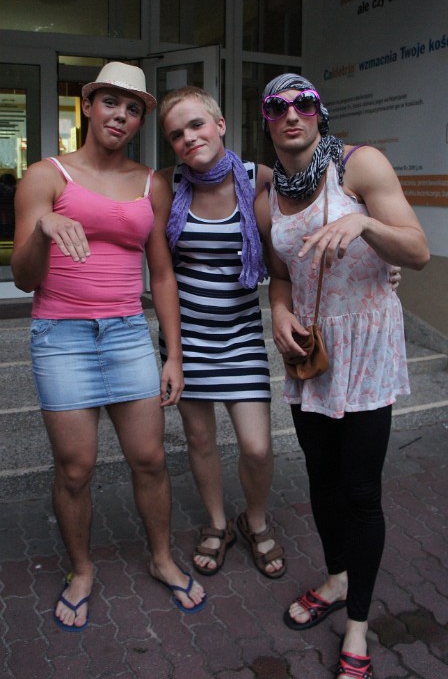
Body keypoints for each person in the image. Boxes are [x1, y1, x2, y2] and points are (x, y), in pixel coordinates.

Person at [11, 62, 206, 631]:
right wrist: (44, 228)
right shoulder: (45, 176)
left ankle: (161, 557)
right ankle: (81, 569)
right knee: (75, 470)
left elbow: (161, 274)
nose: (121, 115)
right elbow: (23, 278)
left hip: (126, 334)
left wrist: (173, 353)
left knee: (150, 459)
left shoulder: (152, 183)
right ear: (89, 106)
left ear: (140, 120)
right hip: (61, 337)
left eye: (133, 108)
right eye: (111, 103)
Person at [255, 73, 429, 679]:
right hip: (312, 350)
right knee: (322, 480)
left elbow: (416, 250)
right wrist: (279, 311)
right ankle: (335, 579)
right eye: (277, 106)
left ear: (319, 113)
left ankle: (357, 624)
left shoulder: (359, 166)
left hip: (367, 346)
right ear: (267, 120)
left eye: (303, 103)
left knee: (360, 490)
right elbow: (281, 275)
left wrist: (365, 225)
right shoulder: (268, 197)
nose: (291, 114)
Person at [158, 86, 286, 579]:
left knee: (256, 446)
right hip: (186, 338)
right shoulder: (167, 184)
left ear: (220, 125)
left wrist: (379, 257)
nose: (188, 138)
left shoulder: (258, 178)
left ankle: (255, 520)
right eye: (176, 134)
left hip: (241, 335)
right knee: (200, 439)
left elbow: (323, 201)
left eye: (196, 125)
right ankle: (217, 522)